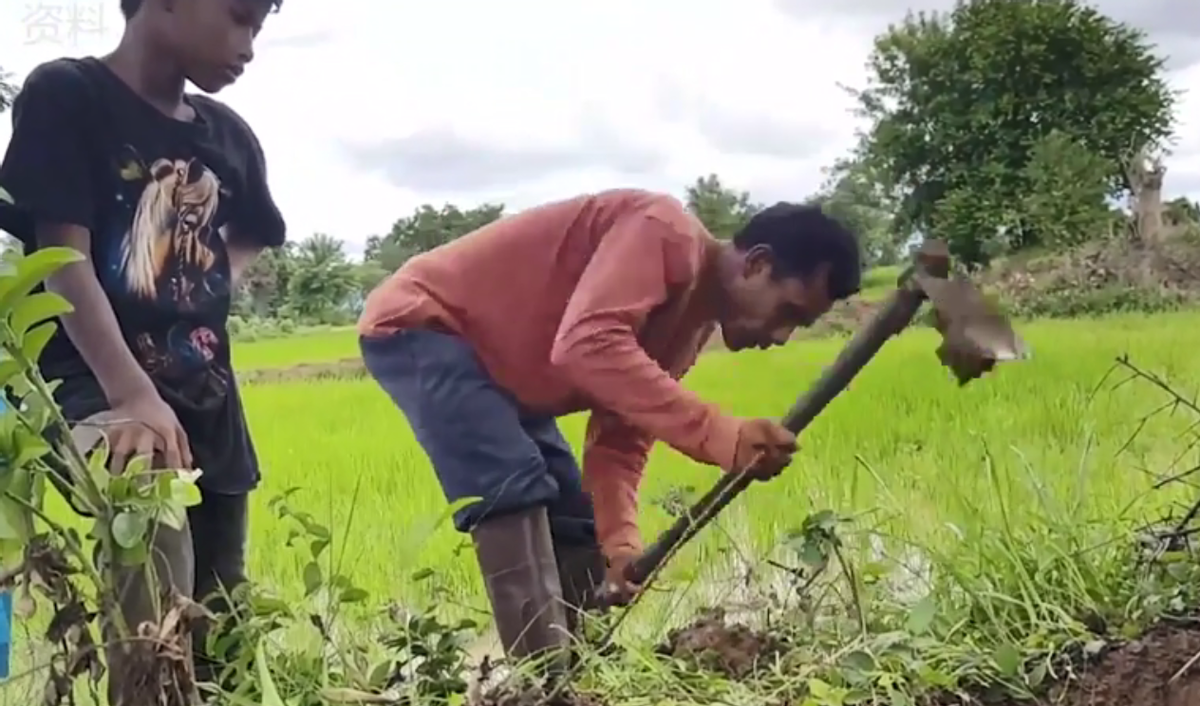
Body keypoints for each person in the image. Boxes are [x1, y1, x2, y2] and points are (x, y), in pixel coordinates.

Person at [357, 189, 861, 665]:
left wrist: (619, 544)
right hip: (425, 323)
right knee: (511, 482)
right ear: (757, 264)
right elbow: (587, 344)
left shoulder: (687, 331)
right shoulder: (666, 233)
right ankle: (543, 683)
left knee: (576, 516)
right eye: (788, 311)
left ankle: (582, 669)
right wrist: (720, 434)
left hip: (500, 369)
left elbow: (620, 440)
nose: (780, 336)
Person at [0, 0, 286, 702]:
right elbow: (63, 261)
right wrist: (131, 394)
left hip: (207, 398)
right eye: (239, 17)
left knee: (221, 606)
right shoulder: (70, 94)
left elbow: (254, 229)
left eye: (259, 27)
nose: (248, 45)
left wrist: (201, 281)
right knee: (153, 548)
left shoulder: (228, 136)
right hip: (97, 381)